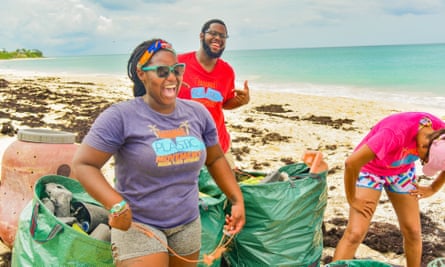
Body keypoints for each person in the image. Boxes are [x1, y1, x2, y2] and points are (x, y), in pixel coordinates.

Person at [72, 38, 245, 267]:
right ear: (141, 73)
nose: (172, 77)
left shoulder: (197, 113)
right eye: (162, 71)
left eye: (177, 69)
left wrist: (236, 199)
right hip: (139, 225)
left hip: (188, 224)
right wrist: (115, 204)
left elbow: (215, 158)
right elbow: (83, 165)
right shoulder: (120, 116)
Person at [332, 111, 445, 267]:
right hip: (370, 170)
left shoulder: (440, 133)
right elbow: (351, 163)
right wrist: (352, 199)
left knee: (413, 231)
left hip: (401, 171)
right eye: (425, 160)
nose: (423, 163)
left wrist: (433, 188)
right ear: (425, 146)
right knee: (355, 233)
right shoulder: (394, 133)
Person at [177, 18, 250, 169]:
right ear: (201, 35)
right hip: (184, 147)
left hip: (219, 146)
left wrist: (241, 101)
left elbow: (224, 104)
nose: (218, 38)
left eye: (223, 36)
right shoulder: (179, 64)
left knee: (231, 190)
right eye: (213, 33)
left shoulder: (227, 71)